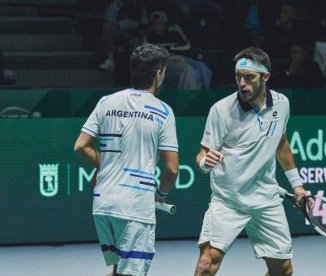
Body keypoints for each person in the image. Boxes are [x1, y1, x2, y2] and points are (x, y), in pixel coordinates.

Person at [193, 47, 308, 276]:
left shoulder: (282, 104)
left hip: (266, 200)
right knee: (206, 264)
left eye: (249, 77)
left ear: (265, 77)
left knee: (282, 270)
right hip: (228, 201)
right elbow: (202, 154)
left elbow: (281, 144)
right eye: (238, 76)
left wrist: (297, 185)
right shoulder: (221, 110)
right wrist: (206, 162)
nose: (242, 83)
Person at [74, 43, 179, 276]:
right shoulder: (163, 111)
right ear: (158, 73)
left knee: (117, 270)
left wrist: (109, 168)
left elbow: (80, 145)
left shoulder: (106, 102)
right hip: (135, 207)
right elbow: (171, 170)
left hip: (103, 205)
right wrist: (160, 195)